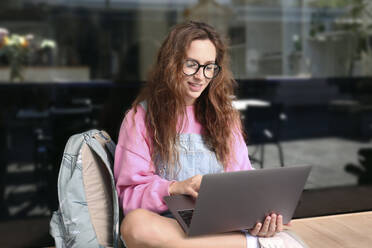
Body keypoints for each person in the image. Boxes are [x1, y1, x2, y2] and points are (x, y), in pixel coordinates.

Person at [114, 21, 284, 248]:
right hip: (170, 226)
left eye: (209, 67)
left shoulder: (225, 118)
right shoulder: (140, 118)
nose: (200, 76)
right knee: (135, 225)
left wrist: (259, 218)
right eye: (191, 65)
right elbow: (129, 198)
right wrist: (174, 188)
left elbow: (243, 179)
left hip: (221, 226)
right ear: (170, 63)